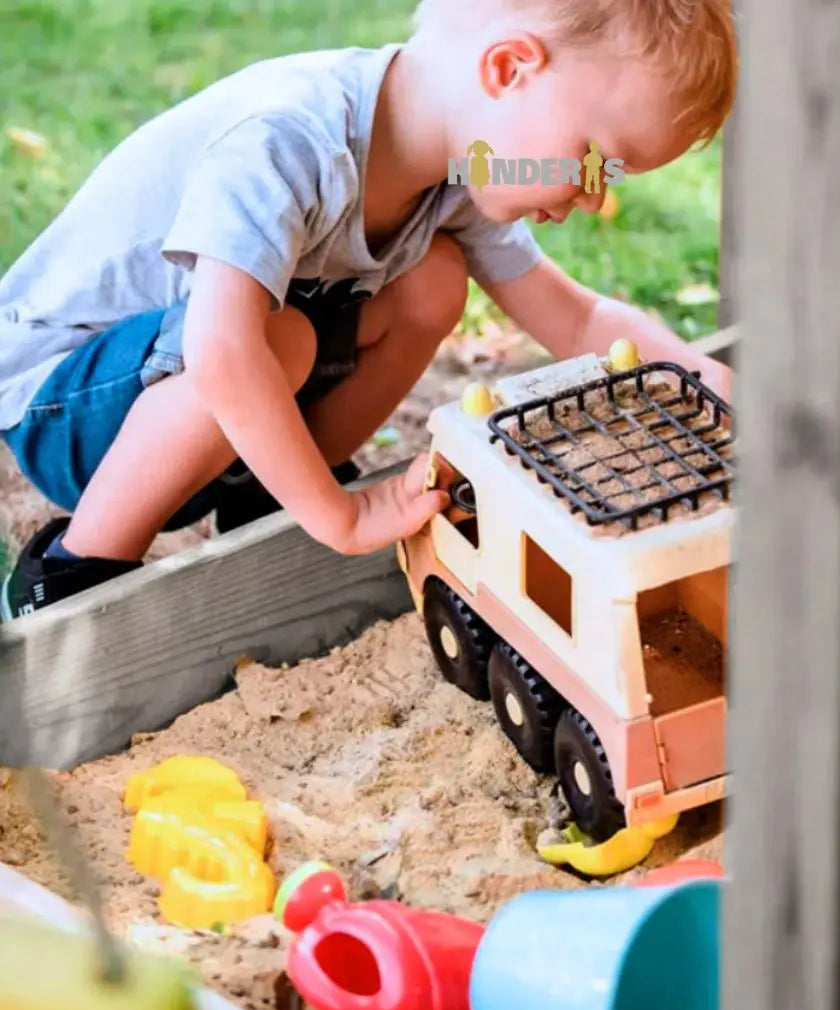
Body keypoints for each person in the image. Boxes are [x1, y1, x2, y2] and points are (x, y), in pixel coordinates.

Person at [0, 0, 737, 620]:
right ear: (508, 69)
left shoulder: (461, 173)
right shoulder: (291, 141)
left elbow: (574, 320)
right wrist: (341, 519)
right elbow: (224, 350)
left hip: (207, 403)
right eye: (592, 158)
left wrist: (707, 379)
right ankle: (76, 569)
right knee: (273, 340)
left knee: (435, 279)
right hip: (64, 406)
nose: (592, 192)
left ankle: (275, 486)